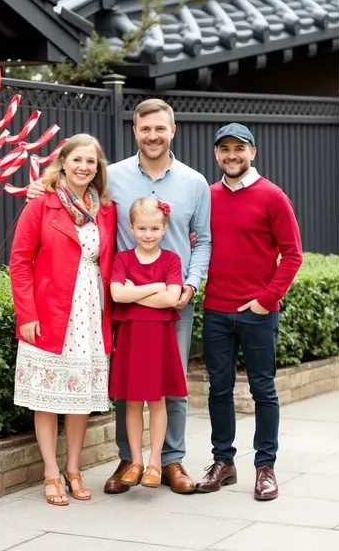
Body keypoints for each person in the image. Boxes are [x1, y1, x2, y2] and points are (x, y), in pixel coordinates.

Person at [27, 98, 212, 495]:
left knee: (171, 385)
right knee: (124, 384)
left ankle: (171, 461)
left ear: (172, 130)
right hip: (120, 303)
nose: (153, 135)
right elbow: (68, 196)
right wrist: (40, 187)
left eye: (160, 128)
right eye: (145, 129)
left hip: (173, 301)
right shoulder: (113, 180)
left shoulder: (194, 182)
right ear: (135, 131)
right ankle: (129, 459)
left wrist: (191, 285)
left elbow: (204, 241)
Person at [195, 123, 303, 501]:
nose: (232, 155)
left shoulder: (273, 196)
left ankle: (265, 467)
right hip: (216, 310)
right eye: (224, 149)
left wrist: (266, 300)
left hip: (258, 313)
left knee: (263, 390)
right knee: (218, 390)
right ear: (216, 155)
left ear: (252, 152)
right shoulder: (207, 197)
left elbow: (292, 254)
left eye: (239, 148)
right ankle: (223, 462)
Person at [9, 133, 116, 506]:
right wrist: (27, 314)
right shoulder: (42, 204)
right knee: (48, 398)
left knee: (80, 396)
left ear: (97, 167)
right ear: (63, 163)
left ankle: (73, 468)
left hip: (91, 312)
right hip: (52, 312)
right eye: (77, 160)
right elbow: (20, 262)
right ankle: (51, 471)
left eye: (91, 162)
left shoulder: (105, 208)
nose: (84, 167)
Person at [109, 198, 187, 489]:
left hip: (158, 338)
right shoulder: (123, 259)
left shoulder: (171, 260)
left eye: (154, 228)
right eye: (141, 228)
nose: (147, 234)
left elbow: (171, 298)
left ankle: (155, 462)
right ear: (131, 227)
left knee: (157, 401)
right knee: (131, 402)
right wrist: (157, 287)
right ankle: (135, 461)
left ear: (164, 228)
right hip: (131, 338)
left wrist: (138, 292)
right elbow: (117, 295)